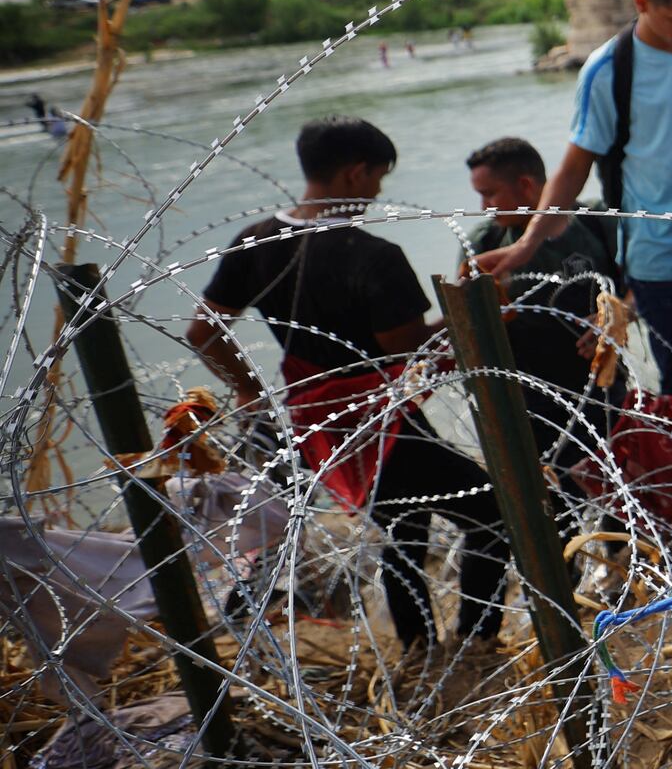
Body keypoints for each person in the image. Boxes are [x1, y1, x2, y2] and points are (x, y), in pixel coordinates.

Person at [186, 116, 508, 657]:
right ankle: (475, 640)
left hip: (320, 422)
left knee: (403, 523)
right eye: (378, 178)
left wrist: (247, 389)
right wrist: (472, 310)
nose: (379, 192)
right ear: (356, 173)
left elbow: (203, 330)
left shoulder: (257, 241)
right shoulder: (374, 257)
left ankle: (419, 648)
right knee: (491, 514)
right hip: (377, 417)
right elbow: (406, 352)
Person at [473, 0, 672, 412]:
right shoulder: (609, 72)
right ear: (642, 2)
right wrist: (526, 245)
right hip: (658, 260)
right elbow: (573, 167)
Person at [462, 137, 624, 543]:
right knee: (557, 494)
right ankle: (572, 571)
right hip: (532, 394)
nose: (484, 207)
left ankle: (619, 558)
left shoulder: (593, 224)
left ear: (527, 186)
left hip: (599, 381)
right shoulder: (484, 245)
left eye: (490, 194)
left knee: (620, 480)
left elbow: (638, 285)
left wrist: (612, 315)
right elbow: (471, 324)